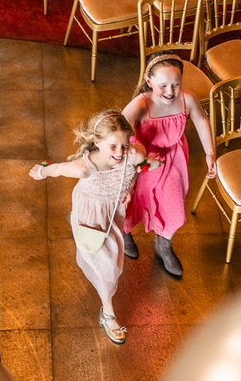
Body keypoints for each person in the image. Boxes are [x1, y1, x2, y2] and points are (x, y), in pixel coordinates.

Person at [30, 110, 157, 344]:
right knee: (110, 268)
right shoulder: (84, 167)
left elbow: (138, 167)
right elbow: (55, 169)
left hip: (114, 210)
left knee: (111, 254)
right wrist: (41, 170)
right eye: (112, 147)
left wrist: (128, 189)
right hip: (91, 209)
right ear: (97, 143)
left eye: (123, 145)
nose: (119, 153)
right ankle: (108, 314)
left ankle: (77, 224)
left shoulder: (134, 154)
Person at [121, 53, 216, 278]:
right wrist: (141, 160)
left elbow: (202, 120)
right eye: (163, 85)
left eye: (176, 84)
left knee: (173, 204)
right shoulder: (141, 104)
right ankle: (124, 233)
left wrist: (210, 153)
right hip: (142, 161)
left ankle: (164, 244)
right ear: (149, 80)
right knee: (131, 200)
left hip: (172, 160)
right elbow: (119, 132)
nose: (170, 91)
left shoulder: (187, 99)